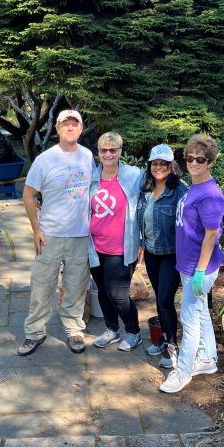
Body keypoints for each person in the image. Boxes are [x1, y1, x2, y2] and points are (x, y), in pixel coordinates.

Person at [18, 109, 93, 356]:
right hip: (50, 234)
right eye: (65, 125)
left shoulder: (88, 156)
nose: (70, 128)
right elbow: (29, 195)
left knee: (76, 286)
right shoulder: (45, 160)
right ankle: (34, 333)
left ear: (81, 129)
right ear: (58, 129)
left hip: (80, 235)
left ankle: (73, 329)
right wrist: (36, 229)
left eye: (75, 124)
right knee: (41, 287)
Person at [160, 134, 224, 393]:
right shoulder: (194, 186)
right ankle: (207, 359)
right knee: (198, 312)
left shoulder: (210, 194)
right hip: (189, 265)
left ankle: (183, 370)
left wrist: (199, 271)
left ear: (210, 162)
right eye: (190, 157)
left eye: (201, 159)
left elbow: (211, 234)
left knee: (189, 318)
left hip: (200, 268)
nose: (194, 162)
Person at [89, 132, 144, 351]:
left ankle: (134, 332)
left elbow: (156, 188)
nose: (108, 154)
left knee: (118, 294)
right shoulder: (91, 177)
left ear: (120, 152)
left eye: (113, 150)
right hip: (95, 246)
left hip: (121, 247)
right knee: (102, 290)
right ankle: (112, 329)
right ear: (98, 152)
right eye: (104, 150)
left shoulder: (134, 175)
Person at [137, 144, 188, 368]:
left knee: (166, 300)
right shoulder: (146, 190)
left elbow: (190, 223)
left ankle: (171, 344)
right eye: (155, 164)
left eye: (163, 164)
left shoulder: (180, 190)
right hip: (151, 253)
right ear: (150, 166)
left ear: (171, 166)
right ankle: (162, 338)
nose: (159, 167)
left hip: (171, 254)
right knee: (159, 298)